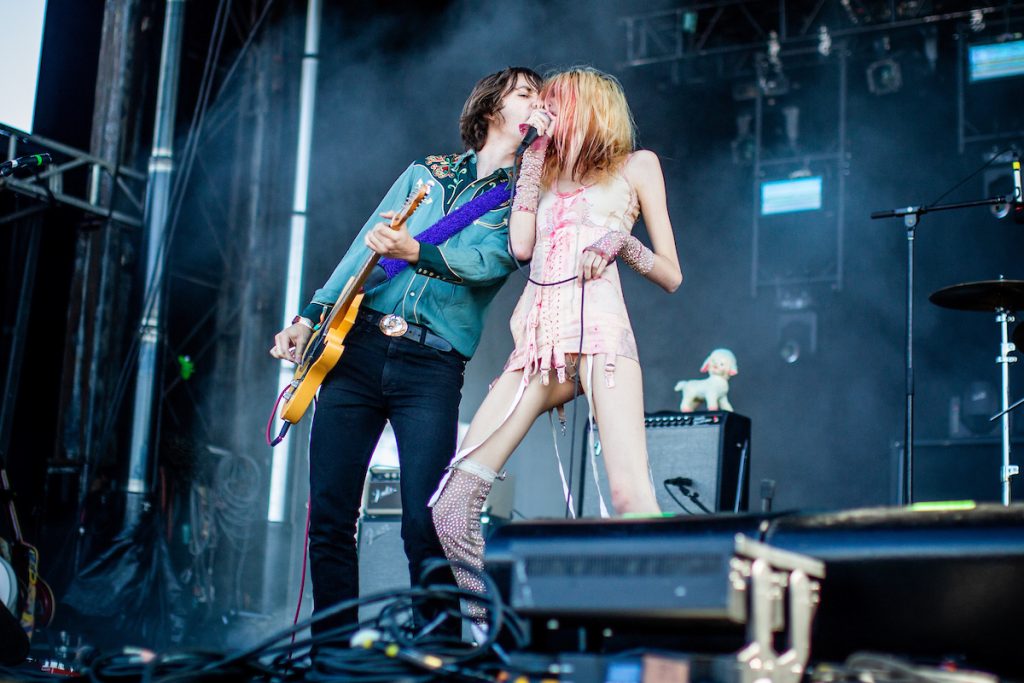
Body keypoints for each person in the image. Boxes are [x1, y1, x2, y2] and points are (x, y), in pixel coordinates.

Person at [270, 66, 543, 640]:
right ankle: (333, 658)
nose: (538, 104)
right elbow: (363, 249)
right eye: (526, 94)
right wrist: (308, 315)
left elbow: (492, 262)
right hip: (357, 348)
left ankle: (437, 658)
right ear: (493, 108)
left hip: (432, 366)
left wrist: (415, 248)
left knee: (425, 523)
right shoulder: (426, 173)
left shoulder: (526, 198)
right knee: (330, 518)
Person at [430, 66, 683, 626]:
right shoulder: (538, 168)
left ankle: (660, 632)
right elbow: (521, 247)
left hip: (601, 336)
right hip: (538, 346)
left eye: (554, 103)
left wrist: (622, 242)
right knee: (450, 507)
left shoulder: (638, 166)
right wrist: (533, 157)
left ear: (588, 107)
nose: (544, 111)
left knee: (629, 497)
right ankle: (489, 636)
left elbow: (671, 274)